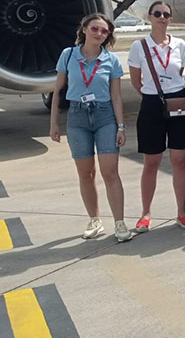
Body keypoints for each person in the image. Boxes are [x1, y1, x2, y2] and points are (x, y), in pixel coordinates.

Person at [49, 14, 133, 242]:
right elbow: (57, 91)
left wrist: (121, 127)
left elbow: (116, 97)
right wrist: (54, 123)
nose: (99, 34)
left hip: (105, 115)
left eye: (104, 31)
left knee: (110, 171)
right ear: (84, 29)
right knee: (86, 173)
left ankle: (120, 222)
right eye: (95, 28)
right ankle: (94, 220)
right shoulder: (68, 55)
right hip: (77, 117)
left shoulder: (111, 60)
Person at [128, 1, 185, 231]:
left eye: (166, 14)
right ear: (149, 17)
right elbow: (135, 80)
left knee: (179, 160)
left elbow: (181, 73)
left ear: (170, 19)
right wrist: (153, 97)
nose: (162, 17)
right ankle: (145, 213)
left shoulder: (180, 45)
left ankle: (182, 212)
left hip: (178, 102)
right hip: (152, 103)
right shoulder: (139, 46)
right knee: (151, 162)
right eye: (157, 13)